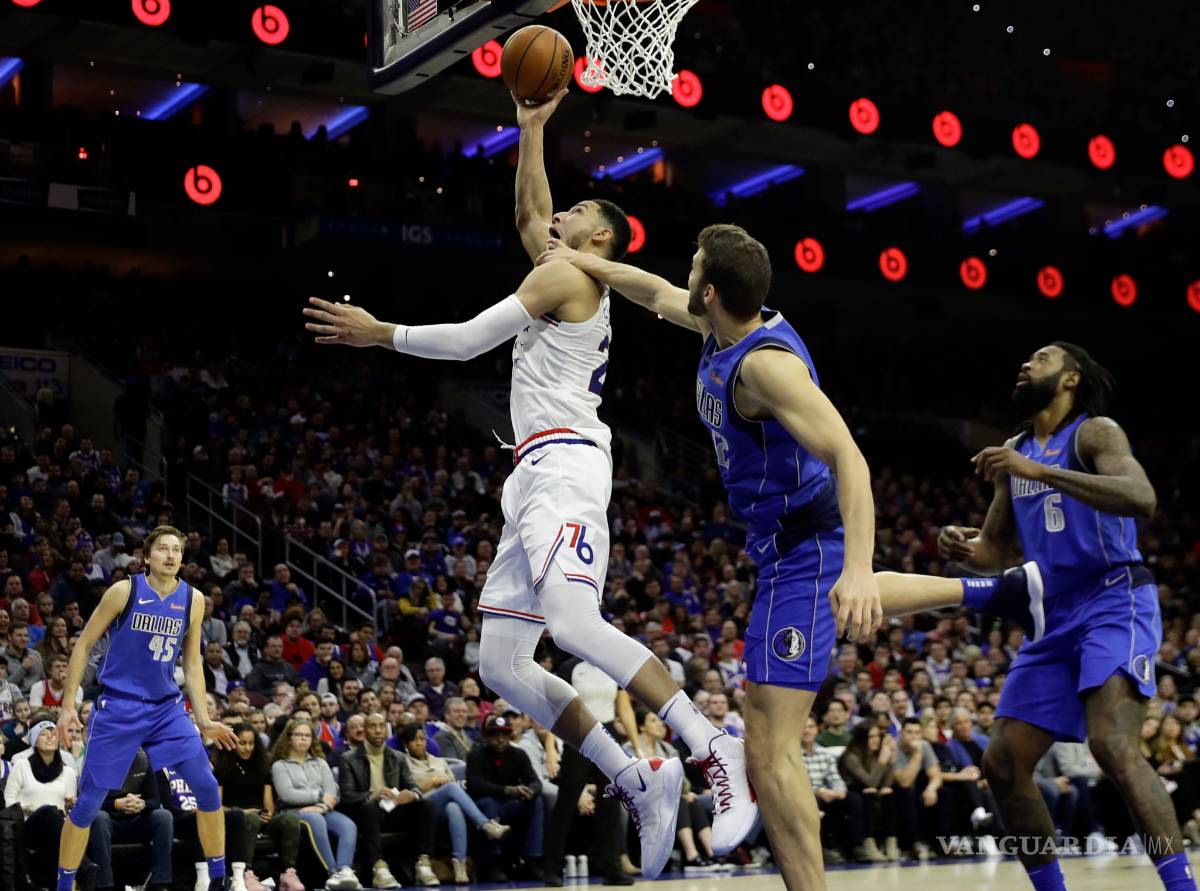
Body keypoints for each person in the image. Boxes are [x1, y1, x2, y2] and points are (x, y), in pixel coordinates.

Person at [302, 90, 756, 881]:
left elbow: (474, 337)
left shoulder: (571, 280)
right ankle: (635, 776)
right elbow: (529, 206)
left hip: (568, 464)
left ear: (600, 236)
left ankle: (711, 740)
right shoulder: (562, 265)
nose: (557, 214)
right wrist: (533, 125)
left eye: (577, 209)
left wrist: (383, 334)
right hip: (533, 471)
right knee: (504, 662)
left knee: (575, 623)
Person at [540, 224, 1051, 890]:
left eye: (694, 268)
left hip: (805, 548)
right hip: (790, 548)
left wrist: (861, 567)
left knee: (767, 743)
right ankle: (999, 592)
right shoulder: (718, 328)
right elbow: (653, 292)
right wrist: (580, 258)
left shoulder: (763, 365)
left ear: (714, 289)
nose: (684, 276)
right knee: (785, 705)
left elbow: (851, 458)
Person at [924, 343, 1188, 891]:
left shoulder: (1095, 433)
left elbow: (1142, 497)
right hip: (1053, 615)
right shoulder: (1016, 451)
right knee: (1000, 763)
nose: (1025, 364)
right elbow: (996, 551)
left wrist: (1038, 471)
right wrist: (961, 544)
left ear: (1069, 379)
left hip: (1115, 599)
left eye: (1040, 359)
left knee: (1112, 745)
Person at [53, 526, 238, 891]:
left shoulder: (193, 600)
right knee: (89, 803)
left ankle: (218, 881)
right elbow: (83, 645)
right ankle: (63, 885)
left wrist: (203, 719)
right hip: (119, 706)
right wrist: (66, 705)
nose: (170, 556)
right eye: (163, 549)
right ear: (147, 555)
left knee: (206, 785)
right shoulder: (124, 591)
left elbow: (193, 664)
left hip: (166, 708)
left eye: (176, 550)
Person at [397, 721, 510, 885]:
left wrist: (446, 783)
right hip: (420, 810)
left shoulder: (439, 761)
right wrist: (434, 781)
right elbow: (407, 792)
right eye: (414, 740)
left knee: (454, 807)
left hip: (443, 812)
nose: (419, 742)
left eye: (422, 738)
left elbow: (454, 783)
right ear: (406, 744)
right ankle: (486, 824)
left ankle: (460, 865)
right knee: (450, 789)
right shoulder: (403, 763)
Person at [337, 712, 439, 888]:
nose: (377, 731)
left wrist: (411, 794)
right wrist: (372, 795)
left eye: (381, 726)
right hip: (364, 813)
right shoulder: (348, 759)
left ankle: (423, 863)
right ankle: (379, 867)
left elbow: (413, 785)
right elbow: (347, 796)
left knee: (425, 805)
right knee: (370, 806)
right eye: (372, 726)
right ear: (365, 730)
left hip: (392, 809)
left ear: (387, 730)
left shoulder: (398, 757)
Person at [270, 718, 361, 891]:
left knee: (348, 825)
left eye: (307, 735)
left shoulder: (320, 762)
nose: (303, 738)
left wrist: (322, 807)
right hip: (293, 812)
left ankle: (345, 871)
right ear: (289, 738)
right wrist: (319, 796)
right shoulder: (280, 765)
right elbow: (288, 794)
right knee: (315, 820)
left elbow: (332, 792)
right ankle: (332, 873)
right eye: (298, 735)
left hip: (321, 810)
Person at [213, 723, 304, 891]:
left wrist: (269, 813)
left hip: (260, 818)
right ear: (233, 743)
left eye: (251, 743)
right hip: (234, 819)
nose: (248, 748)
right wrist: (241, 812)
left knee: (290, 819)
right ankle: (245, 873)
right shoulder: (222, 769)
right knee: (249, 818)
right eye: (242, 743)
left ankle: (288, 872)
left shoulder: (262, 767)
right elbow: (216, 806)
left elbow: (268, 803)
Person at [4, 720, 85, 884]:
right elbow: (9, 802)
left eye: (54, 734)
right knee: (48, 811)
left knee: (66, 817)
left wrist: (71, 805)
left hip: (57, 827)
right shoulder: (21, 765)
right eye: (44, 734)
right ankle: (85, 868)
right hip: (27, 826)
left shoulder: (68, 772)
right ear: (34, 740)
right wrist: (27, 809)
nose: (50, 737)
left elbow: (68, 810)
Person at [465, 714, 542, 883]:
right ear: (486, 736)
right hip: (484, 807)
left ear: (510, 736)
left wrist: (531, 791)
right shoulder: (476, 754)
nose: (500, 739)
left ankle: (532, 859)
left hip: (509, 805)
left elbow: (535, 781)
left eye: (504, 735)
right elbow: (475, 785)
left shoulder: (519, 754)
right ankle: (493, 863)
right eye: (495, 734)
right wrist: (507, 790)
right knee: (488, 803)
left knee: (537, 801)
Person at [88, 749, 176, 891]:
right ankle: (105, 884)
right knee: (99, 817)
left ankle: (161, 883)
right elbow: (89, 801)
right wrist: (116, 803)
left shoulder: (144, 761)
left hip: (138, 820)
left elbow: (155, 800)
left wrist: (143, 804)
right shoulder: (100, 763)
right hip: (110, 822)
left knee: (163, 816)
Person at [837, 723, 899, 862]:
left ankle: (891, 843)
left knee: (888, 792)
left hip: (872, 790)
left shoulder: (877, 753)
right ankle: (869, 844)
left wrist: (891, 759)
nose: (875, 740)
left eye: (877, 736)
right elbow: (870, 782)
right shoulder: (850, 756)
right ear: (861, 738)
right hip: (854, 792)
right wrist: (883, 761)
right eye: (871, 736)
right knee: (869, 793)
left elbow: (887, 782)